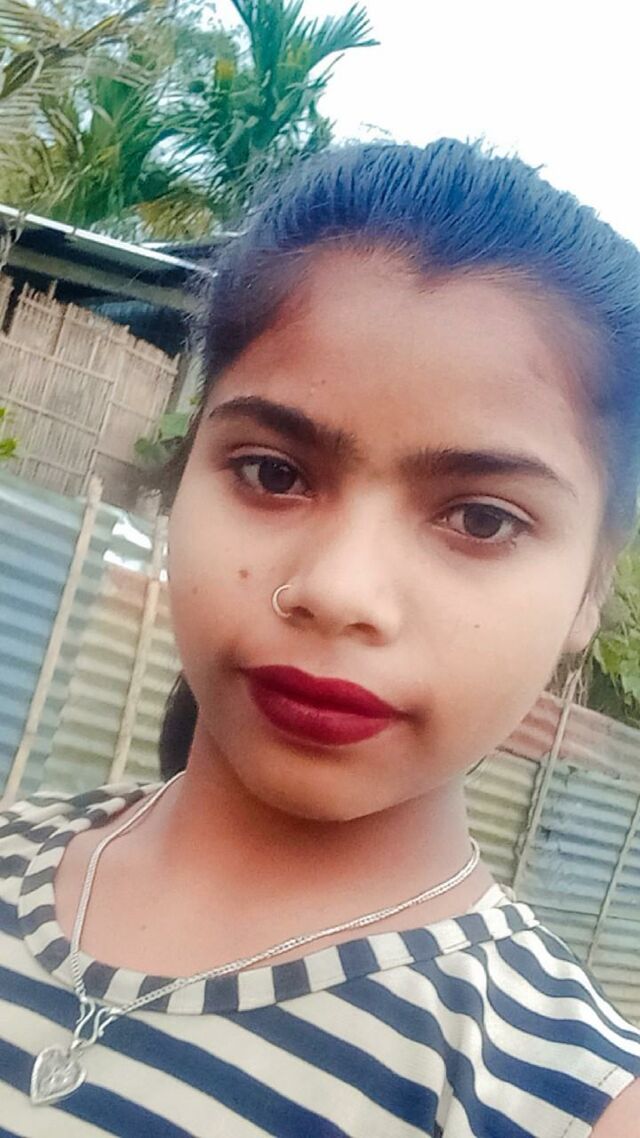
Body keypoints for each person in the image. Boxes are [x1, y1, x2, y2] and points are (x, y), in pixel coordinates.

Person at [2, 139, 640, 1137]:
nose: (338, 592)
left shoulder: (563, 1098)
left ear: (589, 585)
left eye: (480, 518)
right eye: (272, 472)